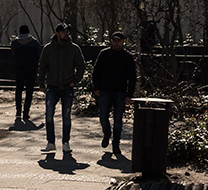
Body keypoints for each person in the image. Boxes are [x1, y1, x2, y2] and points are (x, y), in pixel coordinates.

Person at [37, 23, 85, 154]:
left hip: (67, 86)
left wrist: (75, 81)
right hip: (52, 87)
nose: (66, 34)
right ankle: (51, 142)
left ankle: (66, 142)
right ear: (57, 33)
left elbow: (81, 66)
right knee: (49, 115)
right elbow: (42, 66)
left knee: (66, 115)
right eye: (63, 32)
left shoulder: (74, 49)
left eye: (67, 32)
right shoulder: (48, 49)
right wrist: (41, 83)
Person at [92, 31, 138, 157]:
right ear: (111, 41)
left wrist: (129, 95)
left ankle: (116, 144)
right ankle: (107, 133)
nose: (116, 43)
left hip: (120, 92)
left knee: (118, 119)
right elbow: (96, 71)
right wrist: (96, 87)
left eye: (118, 40)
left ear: (123, 42)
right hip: (105, 91)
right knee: (103, 116)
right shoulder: (104, 54)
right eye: (114, 40)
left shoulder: (127, 57)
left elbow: (132, 77)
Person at [11, 25, 42, 122]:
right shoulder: (34, 43)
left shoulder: (15, 43)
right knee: (29, 91)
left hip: (19, 68)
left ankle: (18, 111)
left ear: (19, 32)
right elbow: (39, 54)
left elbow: (13, 53)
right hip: (31, 69)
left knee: (19, 90)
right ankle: (26, 112)